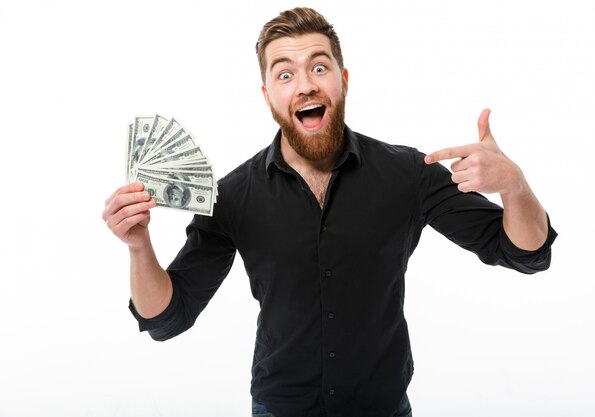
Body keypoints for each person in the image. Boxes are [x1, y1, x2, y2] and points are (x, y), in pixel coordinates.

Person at [102, 7, 557, 417]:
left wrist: (515, 186)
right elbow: (168, 318)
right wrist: (139, 246)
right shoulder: (232, 197)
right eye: (285, 74)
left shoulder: (408, 174)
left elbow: (525, 252)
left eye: (319, 67)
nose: (305, 84)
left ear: (343, 79)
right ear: (267, 96)